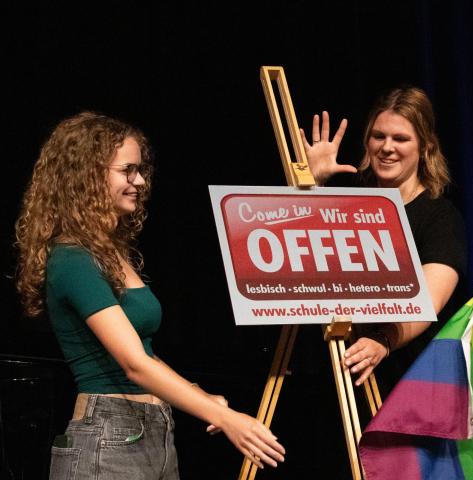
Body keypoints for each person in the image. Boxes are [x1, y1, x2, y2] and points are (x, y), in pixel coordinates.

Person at [14, 112, 285, 478]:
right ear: (88, 175)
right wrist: (223, 417)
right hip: (108, 438)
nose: (139, 181)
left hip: (153, 431)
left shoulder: (110, 253)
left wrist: (199, 396)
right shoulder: (72, 259)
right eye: (127, 170)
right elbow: (134, 364)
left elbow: (146, 354)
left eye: (140, 170)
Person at [302, 86, 467, 392]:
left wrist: (383, 341)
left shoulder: (441, 218)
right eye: (379, 136)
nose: (387, 147)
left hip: (412, 383)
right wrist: (311, 185)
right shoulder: (348, 208)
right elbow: (297, 257)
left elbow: (428, 302)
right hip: (344, 381)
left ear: (425, 145)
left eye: (401, 139)